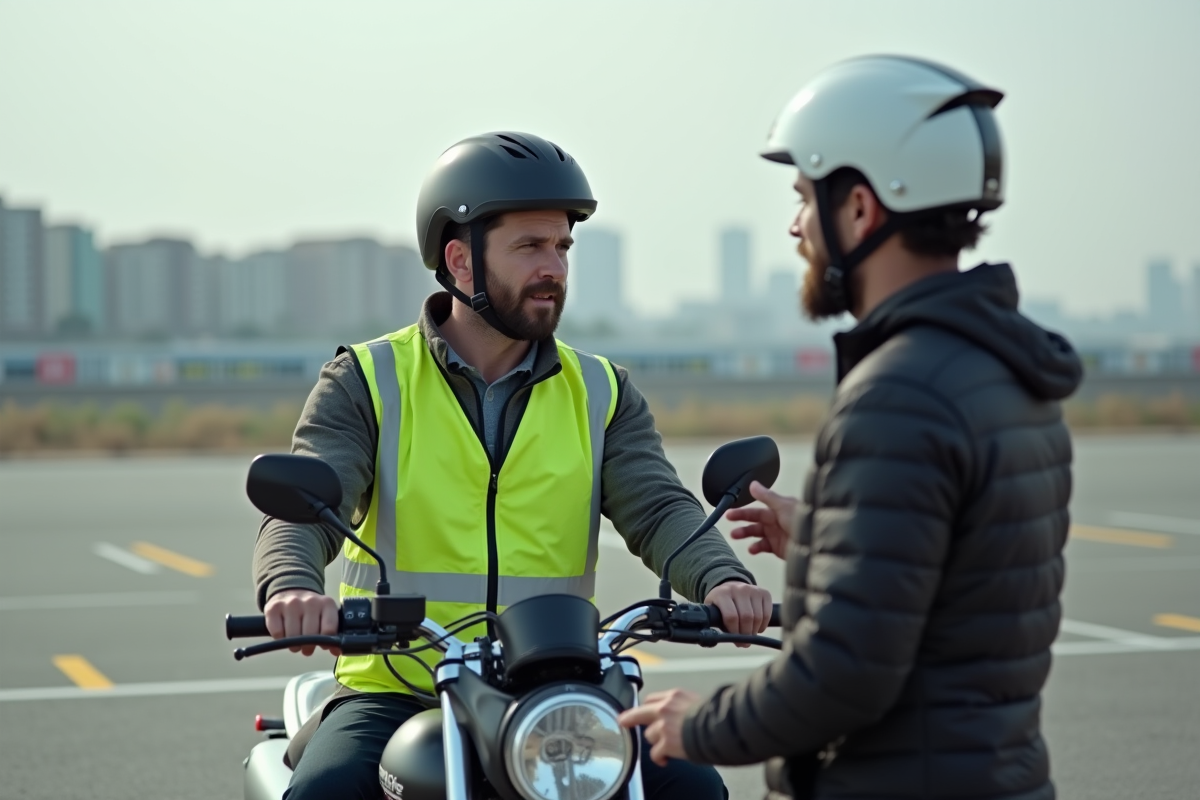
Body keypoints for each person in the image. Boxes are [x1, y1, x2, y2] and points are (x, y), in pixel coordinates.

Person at [252, 130, 773, 800]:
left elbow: (658, 507)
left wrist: (722, 579)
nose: (553, 266)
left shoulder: (602, 390)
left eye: (562, 247)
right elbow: (304, 504)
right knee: (326, 793)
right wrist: (292, 585)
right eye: (530, 247)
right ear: (460, 262)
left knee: (693, 789)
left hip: (557, 686)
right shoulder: (368, 379)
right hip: (398, 687)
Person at [619, 56, 1083, 800]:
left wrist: (703, 724)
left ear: (861, 208)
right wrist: (832, 535)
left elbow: (845, 673)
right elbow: (971, 580)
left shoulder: (897, 393)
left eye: (805, 195)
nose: (796, 224)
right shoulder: (1007, 372)